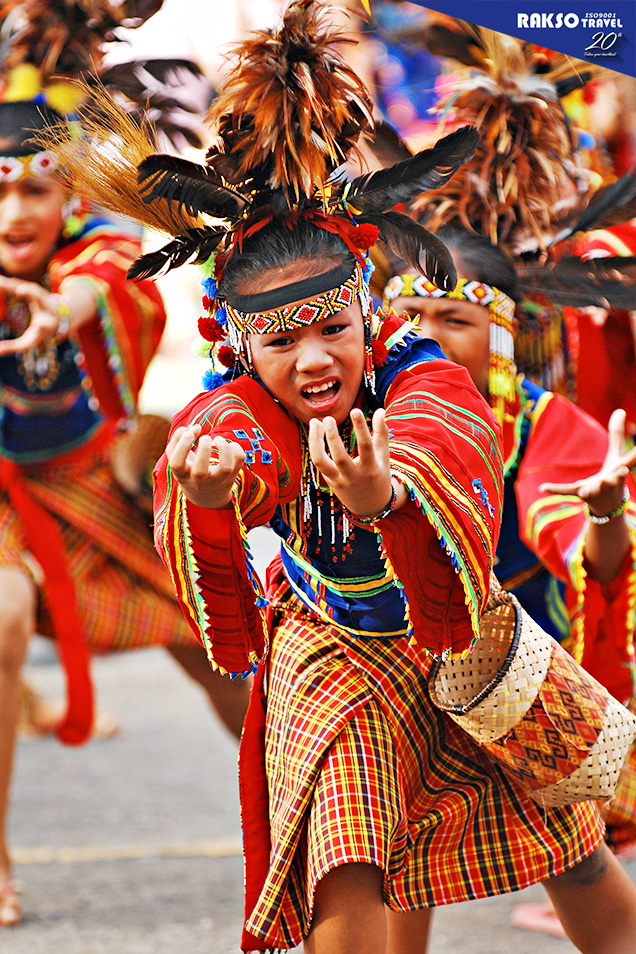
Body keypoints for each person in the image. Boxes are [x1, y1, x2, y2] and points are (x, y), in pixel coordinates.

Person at [54, 3, 636, 950]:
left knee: (575, 858)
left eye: (334, 327)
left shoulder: (430, 383)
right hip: (337, 652)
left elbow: (439, 446)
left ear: (370, 316)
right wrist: (210, 495)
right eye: (283, 340)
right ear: (240, 344)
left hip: (467, 647)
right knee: (352, 862)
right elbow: (232, 453)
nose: (315, 359)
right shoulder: (239, 406)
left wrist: (384, 495)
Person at [0, 32, 250, 933]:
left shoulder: (93, 243)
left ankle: (313, 815)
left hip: (93, 480)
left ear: (66, 193)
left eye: (33, 185)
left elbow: (101, 277)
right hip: (2, 501)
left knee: (224, 635)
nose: (13, 211)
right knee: (1, 618)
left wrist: (51, 310)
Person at [382, 224, 636, 937]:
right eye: (408, 315)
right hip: (395, 677)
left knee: (577, 865)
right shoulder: (357, 412)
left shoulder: (543, 425)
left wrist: (608, 516)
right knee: (391, 866)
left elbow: (594, 555)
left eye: (454, 318)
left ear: (501, 331)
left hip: (514, 683)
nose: (424, 333)